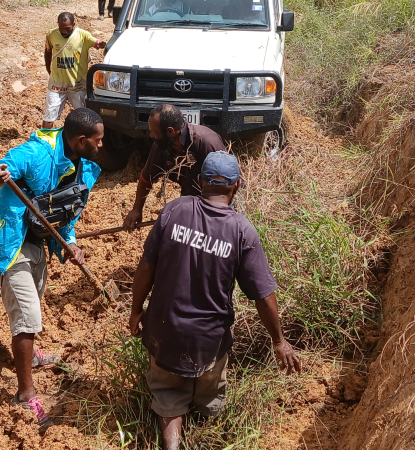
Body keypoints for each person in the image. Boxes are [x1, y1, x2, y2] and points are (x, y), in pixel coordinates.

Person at [128, 151, 301, 450]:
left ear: (199, 182)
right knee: (209, 399)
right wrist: (278, 340)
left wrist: (136, 310)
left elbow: (146, 268)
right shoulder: (241, 231)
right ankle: (206, 436)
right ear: (237, 186)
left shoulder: (174, 211)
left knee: (167, 393)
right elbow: (263, 293)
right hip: (209, 341)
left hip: (164, 332)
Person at [0, 108, 105, 430]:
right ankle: (25, 393)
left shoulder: (83, 169)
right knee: (28, 317)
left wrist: (69, 242)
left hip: (37, 243)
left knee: (34, 301)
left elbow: (68, 212)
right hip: (8, 240)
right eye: (98, 141)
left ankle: (31, 355)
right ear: (81, 140)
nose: (102, 145)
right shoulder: (34, 153)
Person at [122, 104, 228, 231]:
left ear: (170, 131)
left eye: (154, 132)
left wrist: (214, 215)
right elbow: (146, 178)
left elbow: (226, 184)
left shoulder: (205, 142)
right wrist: (137, 209)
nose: (151, 135)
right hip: (191, 201)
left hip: (219, 201)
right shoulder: (162, 145)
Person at [42, 11, 107, 129]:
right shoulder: (51, 34)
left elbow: (96, 42)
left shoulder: (83, 35)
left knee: (85, 116)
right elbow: (48, 51)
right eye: (61, 28)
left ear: (74, 24)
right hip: (57, 85)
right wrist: (48, 68)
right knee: (49, 116)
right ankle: (43, 142)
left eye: (67, 28)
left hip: (77, 85)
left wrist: (102, 43)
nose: (64, 32)